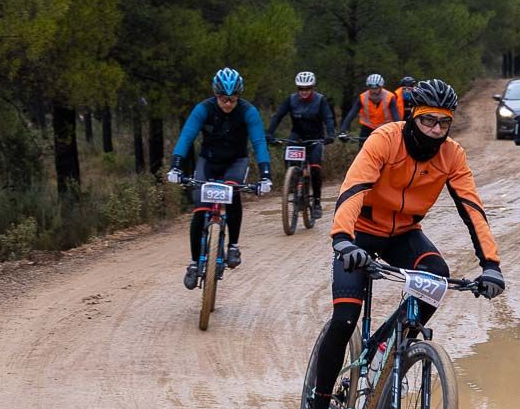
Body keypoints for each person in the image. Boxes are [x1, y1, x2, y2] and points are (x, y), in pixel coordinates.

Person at [303, 78, 505, 409]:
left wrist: (491, 266)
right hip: (360, 234)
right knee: (345, 319)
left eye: (443, 123)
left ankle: (388, 345)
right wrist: (343, 240)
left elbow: (472, 209)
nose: (435, 130)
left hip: (404, 235)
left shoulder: (452, 155)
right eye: (428, 121)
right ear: (413, 116)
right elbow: (352, 189)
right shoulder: (384, 140)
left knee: (438, 276)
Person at [167, 67, 272, 286]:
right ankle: (195, 263)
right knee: (200, 210)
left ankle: (233, 245)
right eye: (224, 100)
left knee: (233, 192)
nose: (228, 104)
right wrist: (176, 166)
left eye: (233, 100)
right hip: (209, 162)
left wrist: (265, 175)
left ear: (238, 97)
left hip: (236, 161)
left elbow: (259, 143)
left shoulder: (248, 111)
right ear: (216, 96)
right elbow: (187, 137)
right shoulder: (203, 109)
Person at [266, 71, 337, 218]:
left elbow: (328, 118)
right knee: (288, 154)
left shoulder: (320, 100)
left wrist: (330, 134)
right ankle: (292, 183)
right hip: (297, 136)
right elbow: (278, 115)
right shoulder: (291, 100)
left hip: (315, 138)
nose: (304, 92)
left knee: (315, 168)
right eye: (301, 89)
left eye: (307, 88)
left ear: (312, 88)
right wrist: (270, 133)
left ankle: (317, 202)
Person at [338, 73, 398, 143]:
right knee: (363, 151)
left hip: (385, 129)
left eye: (376, 88)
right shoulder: (362, 97)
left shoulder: (390, 97)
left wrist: (399, 130)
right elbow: (351, 114)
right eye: (371, 88)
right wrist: (343, 131)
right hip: (367, 129)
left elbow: (396, 116)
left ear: (381, 87)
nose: (374, 91)